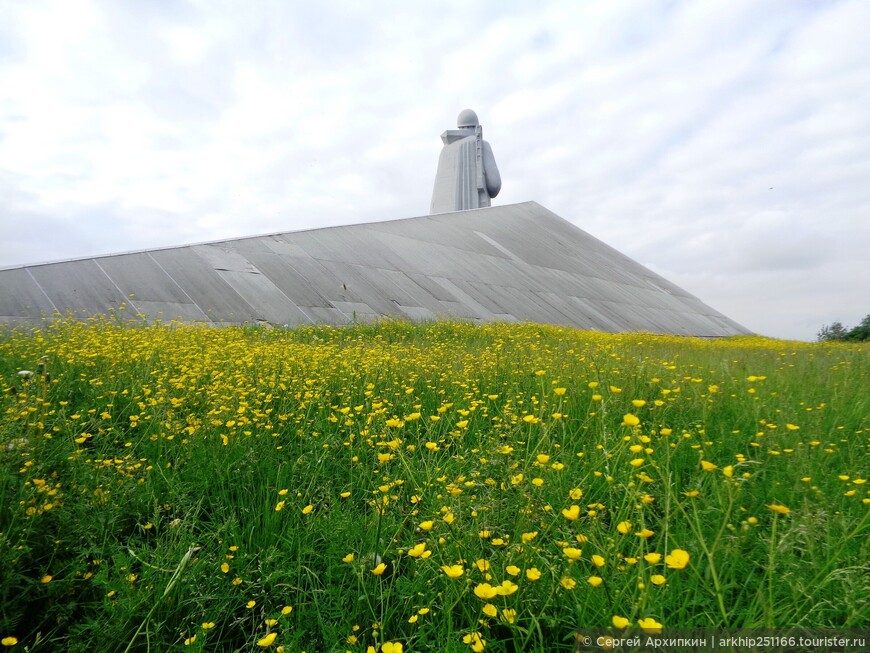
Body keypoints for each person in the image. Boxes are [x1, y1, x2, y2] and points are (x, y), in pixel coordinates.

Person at [430, 109, 501, 214]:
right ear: (477, 127)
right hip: (476, 219)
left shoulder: (444, 151)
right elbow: (494, 185)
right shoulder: (481, 144)